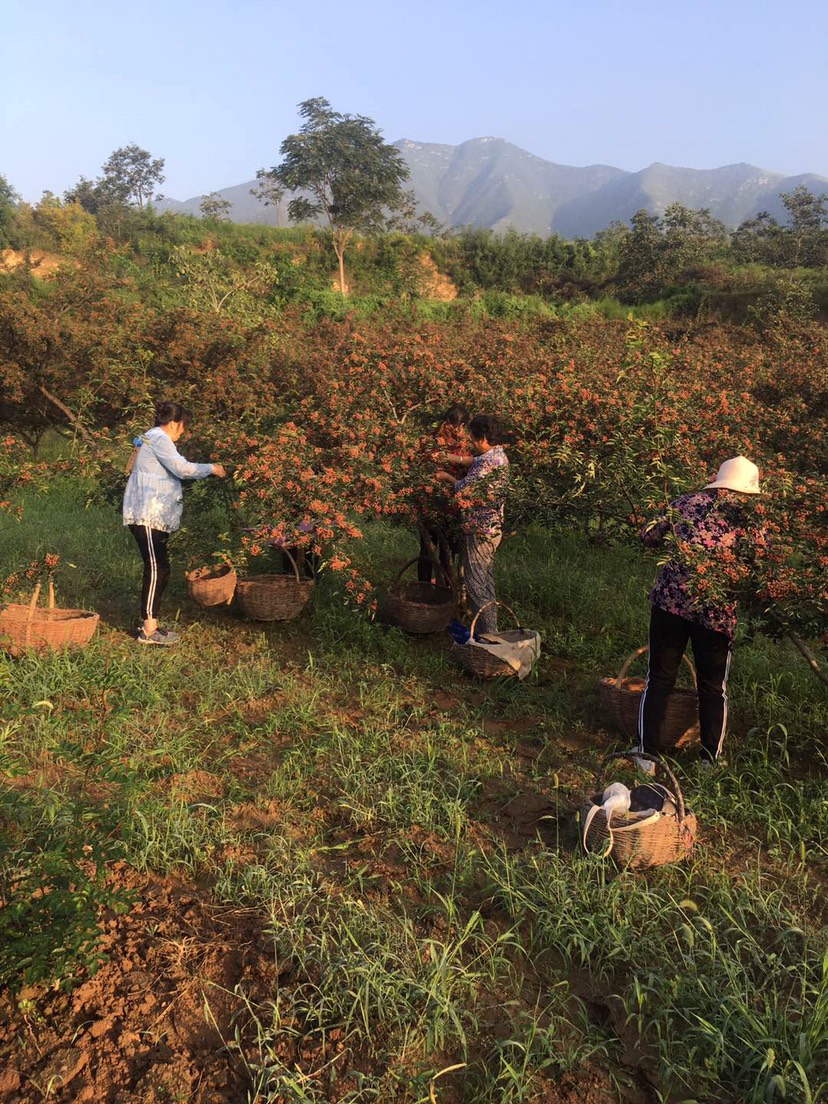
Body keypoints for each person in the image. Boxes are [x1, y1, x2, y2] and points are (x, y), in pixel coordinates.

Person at [636, 456, 765, 772]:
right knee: (712, 688)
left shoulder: (687, 502)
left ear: (718, 480)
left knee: (659, 679)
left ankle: (645, 754)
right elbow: (761, 569)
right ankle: (709, 760)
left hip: (670, 605)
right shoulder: (750, 521)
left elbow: (648, 535)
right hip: (715, 615)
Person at [123, 402, 226, 645]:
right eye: (182, 427)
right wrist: (212, 468)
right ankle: (148, 630)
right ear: (173, 423)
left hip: (154, 514)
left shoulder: (151, 437)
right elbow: (181, 468)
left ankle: (152, 624)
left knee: (162, 568)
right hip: (146, 514)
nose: (182, 432)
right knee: (156, 567)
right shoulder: (159, 438)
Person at [437, 414, 509, 635]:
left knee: (476, 583)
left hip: (481, 530)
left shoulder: (488, 463)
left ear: (483, 438)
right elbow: (472, 461)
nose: (473, 443)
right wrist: (448, 456)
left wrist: (447, 477)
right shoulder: (498, 455)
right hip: (492, 528)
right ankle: (487, 631)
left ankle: (489, 635)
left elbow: (465, 489)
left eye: (474, 440)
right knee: (484, 580)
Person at [419, 404, 472, 585]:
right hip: (450, 503)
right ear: (462, 426)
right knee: (447, 551)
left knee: (428, 549)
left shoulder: (432, 441)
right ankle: (447, 593)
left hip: (430, 502)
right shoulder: (462, 447)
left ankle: (424, 589)